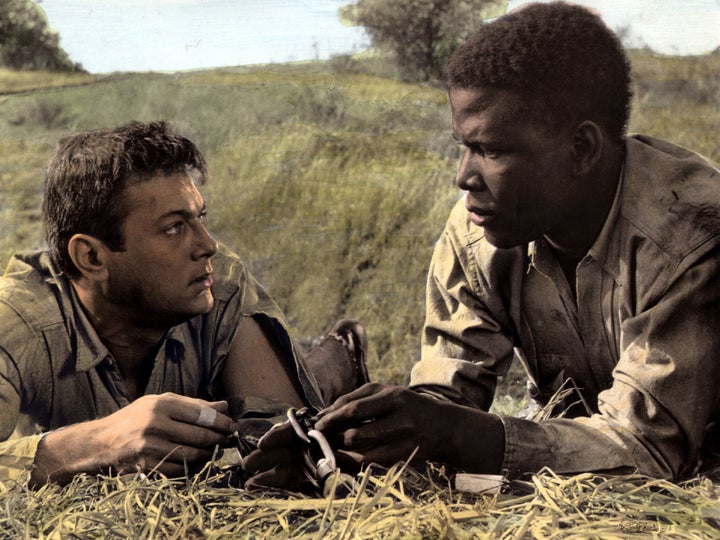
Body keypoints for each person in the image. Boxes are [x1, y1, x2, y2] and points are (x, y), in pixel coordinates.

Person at [244, 1, 720, 488]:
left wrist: (459, 435)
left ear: (582, 149)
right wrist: (354, 448)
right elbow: (447, 398)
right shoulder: (479, 232)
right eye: (463, 146)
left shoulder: (692, 238)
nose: (463, 177)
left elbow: (650, 453)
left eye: (491, 150)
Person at [0, 121, 368, 487]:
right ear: (92, 257)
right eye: (174, 227)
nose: (207, 245)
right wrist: (98, 444)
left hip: (230, 381)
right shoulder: (17, 319)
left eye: (200, 217)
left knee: (307, 404)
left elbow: (280, 445)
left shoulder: (219, 282)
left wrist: (271, 444)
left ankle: (342, 353)